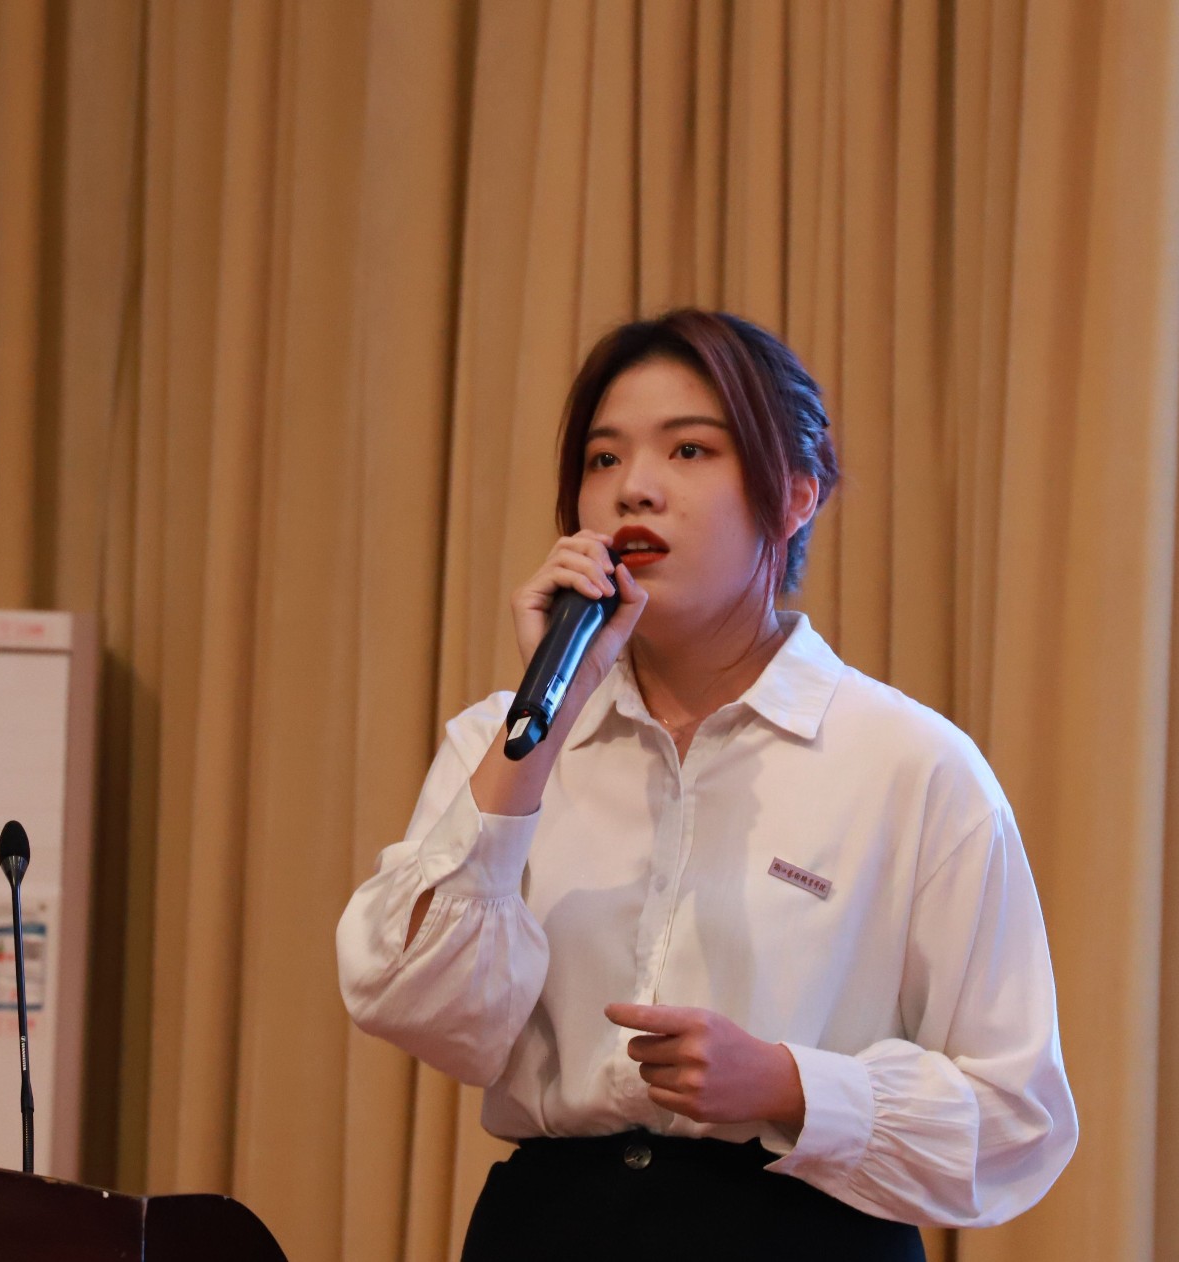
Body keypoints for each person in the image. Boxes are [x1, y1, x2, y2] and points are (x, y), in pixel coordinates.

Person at [336, 310, 1076, 1260]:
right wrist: (542, 722)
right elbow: (419, 1010)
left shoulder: (910, 762)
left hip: (798, 1234)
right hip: (552, 1229)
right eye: (603, 459)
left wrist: (790, 1086)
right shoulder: (503, 739)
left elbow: (1016, 1120)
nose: (634, 489)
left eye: (688, 450)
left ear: (795, 496)